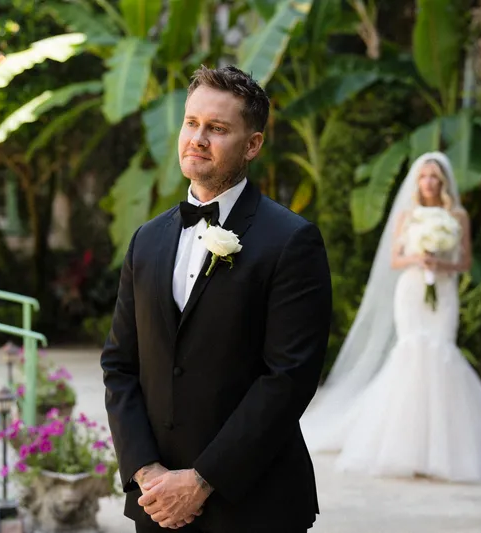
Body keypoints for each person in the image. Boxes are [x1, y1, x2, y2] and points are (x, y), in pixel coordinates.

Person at [100, 64, 332, 532]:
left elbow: (287, 378)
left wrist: (202, 481)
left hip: (254, 505)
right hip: (157, 503)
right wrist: (147, 473)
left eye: (217, 128)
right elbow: (120, 366)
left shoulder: (292, 240)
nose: (198, 138)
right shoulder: (145, 239)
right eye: (191, 123)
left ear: (252, 145)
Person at [301, 152, 481, 483]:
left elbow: (465, 261)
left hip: (444, 291)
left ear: (444, 182)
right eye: (424, 177)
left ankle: (451, 447)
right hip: (411, 290)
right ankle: (405, 446)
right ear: (417, 181)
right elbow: (395, 259)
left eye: (435, 177)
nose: (429, 182)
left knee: (441, 352)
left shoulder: (457, 215)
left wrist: (441, 264)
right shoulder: (407, 216)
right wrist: (418, 257)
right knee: (411, 353)